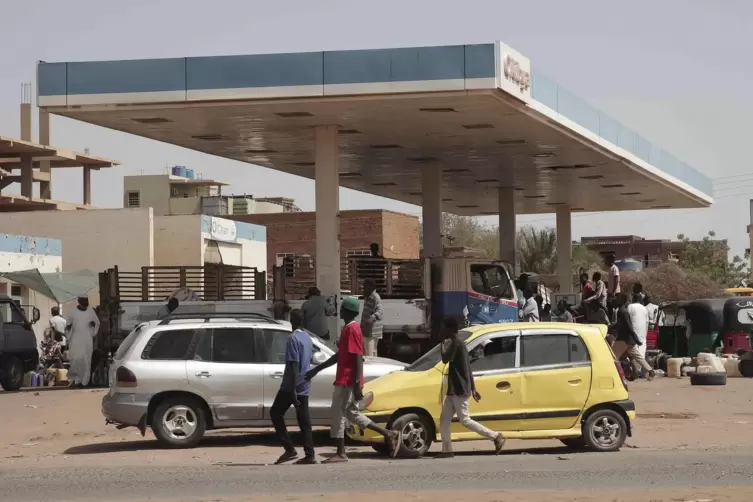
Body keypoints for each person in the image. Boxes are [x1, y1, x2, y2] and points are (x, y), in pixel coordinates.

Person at [304, 297, 401, 462]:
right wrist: (316, 370)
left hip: (347, 380)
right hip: (346, 379)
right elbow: (338, 356)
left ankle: (341, 453)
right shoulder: (348, 329)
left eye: (342, 309)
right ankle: (389, 433)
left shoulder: (352, 329)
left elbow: (358, 357)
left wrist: (357, 384)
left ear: (347, 312)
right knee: (352, 413)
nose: (339, 311)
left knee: (339, 414)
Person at [438, 317, 506, 458]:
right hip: (454, 389)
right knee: (444, 419)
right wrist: (473, 388)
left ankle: (495, 436)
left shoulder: (456, 344)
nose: (442, 330)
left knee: (465, 420)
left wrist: (441, 344)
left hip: (459, 388)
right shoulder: (458, 344)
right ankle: (447, 450)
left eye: (444, 328)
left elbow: (445, 359)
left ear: (449, 329)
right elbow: (468, 367)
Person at [270, 309, 317, 465]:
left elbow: (294, 364)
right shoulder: (308, 338)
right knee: (304, 420)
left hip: (291, 385)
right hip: (304, 383)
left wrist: (292, 390)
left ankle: (289, 449)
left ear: (292, 321)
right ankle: (310, 453)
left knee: (276, 413)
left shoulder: (292, 339)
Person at [612, 293, 654, 381]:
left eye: (616, 298)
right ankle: (650, 370)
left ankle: (615, 376)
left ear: (621, 300)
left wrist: (636, 337)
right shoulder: (623, 310)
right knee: (637, 356)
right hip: (629, 340)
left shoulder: (622, 311)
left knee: (612, 357)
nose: (614, 300)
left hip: (623, 339)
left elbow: (627, 325)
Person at [66, 296, 100, 388]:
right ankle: (76, 380)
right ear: (79, 301)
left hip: (87, 340)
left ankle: (84, 382)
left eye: (87, 300)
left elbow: (97, 323)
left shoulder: (91, 311)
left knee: (86, 360)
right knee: (76, 360)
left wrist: (93, 325)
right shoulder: (73, 312)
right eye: (84, 300)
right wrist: (68, 329)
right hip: (76, 341)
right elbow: (68, 326)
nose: (86, 302)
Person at [627, 293, 650, 374]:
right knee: (641, 352)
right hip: (642, 334)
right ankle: (639, 370)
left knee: (633, 352)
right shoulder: (644, 308)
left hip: (633, 334)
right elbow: (647, 322)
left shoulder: (630, 306)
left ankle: (634, 370)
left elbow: (627, 319)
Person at [361, 279, 383, 357]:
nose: (363, 288)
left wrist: (370, 319)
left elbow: (380, 311)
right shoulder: (367, 297)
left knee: (370, 354)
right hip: (366, 331)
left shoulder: (375, 297)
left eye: (365, 286)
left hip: (372, 332)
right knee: (369, 352)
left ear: (371, 287)